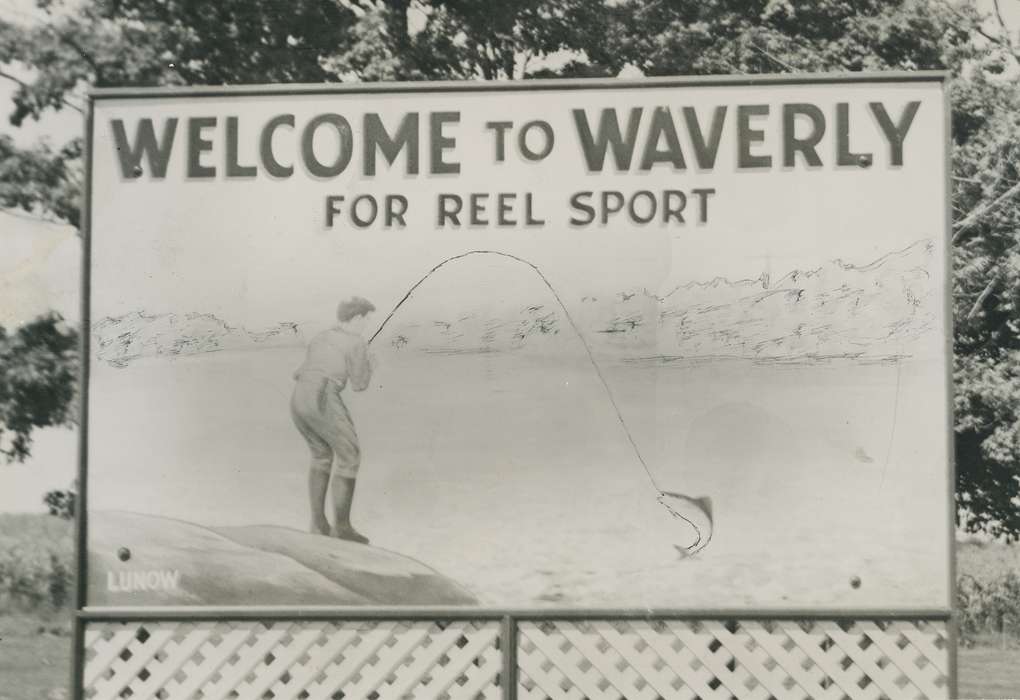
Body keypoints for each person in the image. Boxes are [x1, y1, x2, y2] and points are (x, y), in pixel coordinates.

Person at [291, 296, 376, 543]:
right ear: (357, 318)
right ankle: (342, 528)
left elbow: (299, 372)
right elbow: (360, 384)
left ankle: (318, 525)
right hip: (322, 397)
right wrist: (369, 363)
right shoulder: (357, 342)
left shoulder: (320, 337)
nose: (366, 326)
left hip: (299, 398)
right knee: (350, 457)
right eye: (366, 321)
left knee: (321, 456)